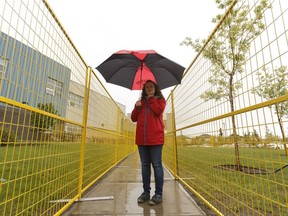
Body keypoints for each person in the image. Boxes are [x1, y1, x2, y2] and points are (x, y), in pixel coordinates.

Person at [131, 80, 166, 205]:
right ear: (144, 89)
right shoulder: (141, 103)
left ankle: (158, 194)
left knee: (157, 165)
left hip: (155, 139)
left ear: (155, 88)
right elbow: (134, 118)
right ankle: (146, 192)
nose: (149, 88)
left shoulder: (160, 100)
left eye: (151, 86)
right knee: (145, 166)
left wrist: (151, 99)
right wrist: (137, 107)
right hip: (142, 140)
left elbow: (157, 111)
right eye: (147, 87)